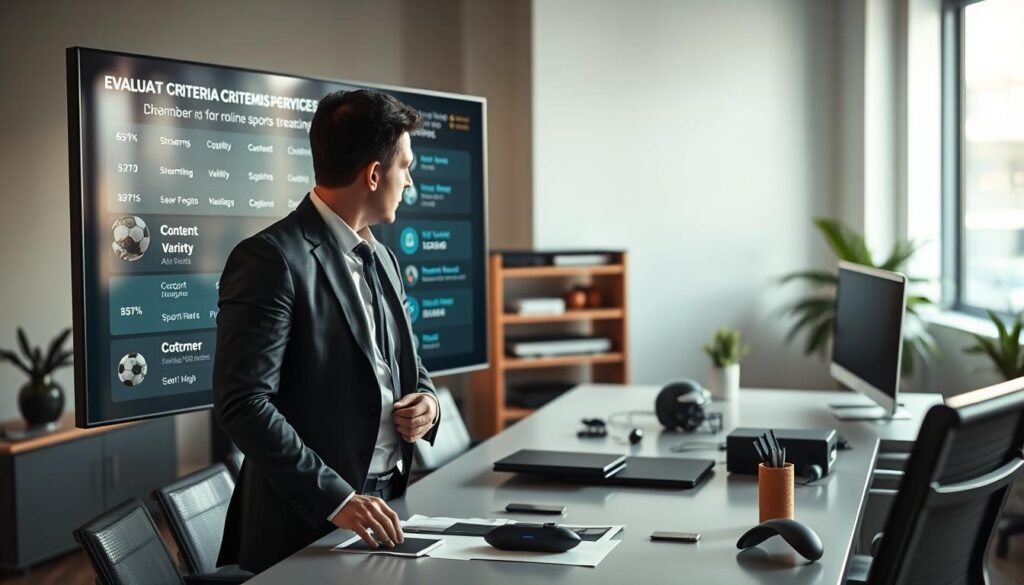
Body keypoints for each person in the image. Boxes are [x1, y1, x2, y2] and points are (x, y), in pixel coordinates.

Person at [213, 89, 441, 573]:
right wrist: (337, 499)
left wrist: (429, 401)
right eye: (406, 166)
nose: (410, 181)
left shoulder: (382, 257)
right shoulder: (270, 259)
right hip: (304, 524)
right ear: (374, 174)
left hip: (390, 504)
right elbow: (243, 404)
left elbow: (409, 366)